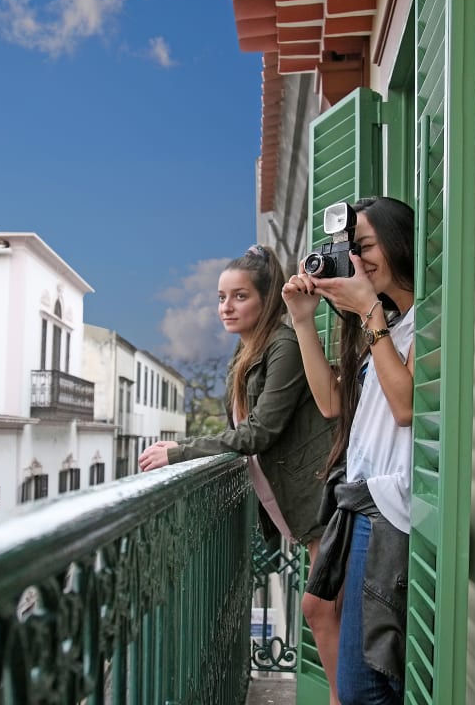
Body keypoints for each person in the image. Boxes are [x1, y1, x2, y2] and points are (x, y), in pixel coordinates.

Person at [138, 244, 342, 701]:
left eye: (239, 297)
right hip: (296, 498)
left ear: (265, 300)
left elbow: (261, 432)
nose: (225, 307)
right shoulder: (247, 351)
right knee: (328, 611)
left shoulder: (282, 345)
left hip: (315, 495)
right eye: (220, 297)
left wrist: (181, 451)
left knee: (323, 610)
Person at [282, 196, 415, 705]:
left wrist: (367, 311)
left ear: (400, 243)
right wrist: (301, 320)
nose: (356, 263)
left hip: (388, 512)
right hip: (362, 504)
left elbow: (406, 407)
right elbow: (331, 402)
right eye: (349, 253)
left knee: (368, 684)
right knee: (363, 678)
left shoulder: (423, 323)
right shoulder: (384, 324)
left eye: (364, 248)